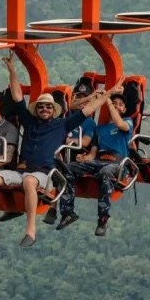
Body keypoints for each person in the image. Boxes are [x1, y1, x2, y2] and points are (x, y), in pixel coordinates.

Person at [0, 54, 104, 248]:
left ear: (53, 110)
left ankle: (31, 231)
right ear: (37, 110)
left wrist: (108, 95)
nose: (44, 109)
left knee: (29, 181)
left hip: (44, 173)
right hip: (22, 170)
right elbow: (17, 97)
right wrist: (12, 70)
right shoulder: (29, 121)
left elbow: (88, 110)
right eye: (41, 107)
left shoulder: (62, 124)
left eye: (48, 107)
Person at [55, 87, 134, 236]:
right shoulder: (100, 129)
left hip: (116, 162)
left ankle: (103, 218)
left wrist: (108, 101)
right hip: (99, 160)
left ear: (124, 109)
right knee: (67, 169)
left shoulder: (127, 122)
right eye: (114, 103)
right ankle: (67, 212)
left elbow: (119, 124)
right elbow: (93, 153)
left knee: (105, 172)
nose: (117, 106)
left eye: (120, 104)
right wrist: (84, 158)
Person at [43, 80, 94, 227]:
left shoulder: (89, 122)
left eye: (85, 98)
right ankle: (51, 207)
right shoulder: (66, 115)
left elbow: (85, 142)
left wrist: (69, 140)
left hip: (74, 154)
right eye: (78, 97)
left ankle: (56, 209)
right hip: (59, 153)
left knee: (61, 171)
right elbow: (65, 108)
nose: (82, 101)